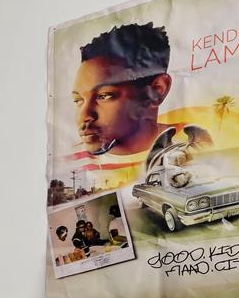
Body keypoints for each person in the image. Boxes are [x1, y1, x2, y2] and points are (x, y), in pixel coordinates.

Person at [62, 22, 177, 195]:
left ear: (156, 90)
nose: (84, 116)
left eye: (104, 96)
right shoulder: (67, 165)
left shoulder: (194, 146)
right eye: (78, 100)